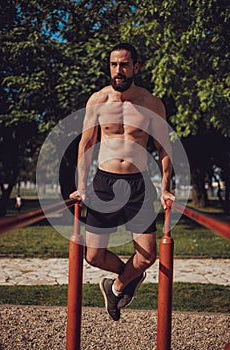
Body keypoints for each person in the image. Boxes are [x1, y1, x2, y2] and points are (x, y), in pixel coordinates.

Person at [69, 43, 175, 321]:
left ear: (135, 68)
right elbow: (86, 144)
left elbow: (164, 148)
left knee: (147, 256)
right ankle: (129, 278)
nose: (118, 70)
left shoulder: (152, 103)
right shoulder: (98, 101)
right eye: (114, 64)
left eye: (124, 64)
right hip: (103, 183)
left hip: (139, 184)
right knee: (92, 256)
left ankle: (116, 287)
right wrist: (81, 186)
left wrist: (165, 187)